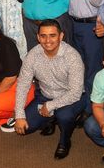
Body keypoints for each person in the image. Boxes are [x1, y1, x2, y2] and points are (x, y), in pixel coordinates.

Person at [14, 20, 85, 160]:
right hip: (45, 95)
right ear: (38, 37)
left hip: (71, 98)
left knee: (64, 116)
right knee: (26, 127)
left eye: (52, 35)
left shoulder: (72, 56)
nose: (47, 41)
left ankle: (65, 141)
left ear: (61, 36)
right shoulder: (32, 55)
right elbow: (22, 85)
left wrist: (50, 105)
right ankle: (51, 119)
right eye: (43, 36)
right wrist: (19, 115)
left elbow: (75, 92)